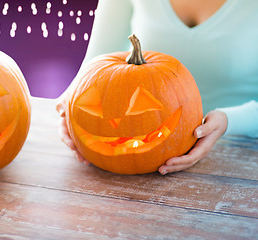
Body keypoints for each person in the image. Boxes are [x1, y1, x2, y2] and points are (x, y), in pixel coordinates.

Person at [56, 0, 258, 175]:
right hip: (143, 176)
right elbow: (90, 73)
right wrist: (69, 109)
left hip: (240, 156)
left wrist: (228, 121)